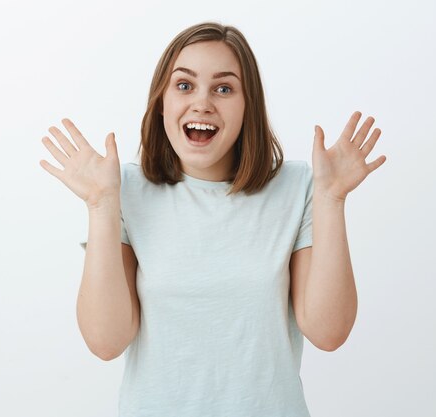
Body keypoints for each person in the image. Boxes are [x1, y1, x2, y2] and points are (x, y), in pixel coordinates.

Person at [39, 21, 385, 417]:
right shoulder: (125, 190)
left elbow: (329, 332)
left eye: (224, 88)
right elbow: (106, 341)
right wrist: (101, 205)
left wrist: (331, 197)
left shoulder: (299, 186)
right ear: (162, 102)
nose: (202, 103)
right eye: (184, 85)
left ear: (247, 105)